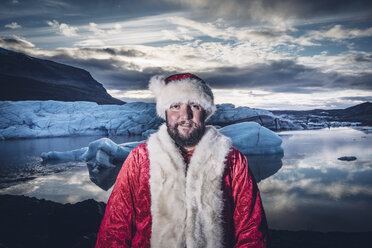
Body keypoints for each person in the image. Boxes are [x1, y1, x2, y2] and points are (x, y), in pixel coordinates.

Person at [96, 73, 268, 248]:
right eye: (175, 106)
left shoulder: (232, 160)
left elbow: (251, 231)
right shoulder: (140, 159)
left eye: (194, 105)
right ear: (165, 112)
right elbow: (115, 228)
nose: (185, 115)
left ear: (206, 112)